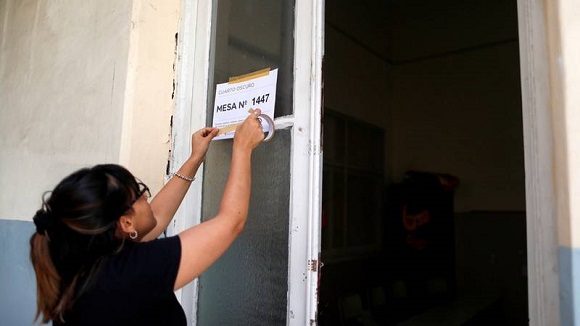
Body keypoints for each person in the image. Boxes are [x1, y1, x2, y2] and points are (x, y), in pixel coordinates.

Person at [29, 109, 265, 325]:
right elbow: (230, 222)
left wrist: (195, 159)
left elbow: (158, 216)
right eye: (140, 194)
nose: (147, 199)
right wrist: (242, 147)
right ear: (125, 223)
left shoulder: (87, 261)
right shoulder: (128, 274)